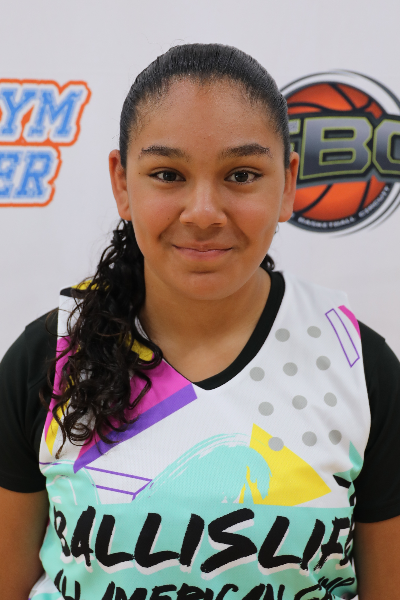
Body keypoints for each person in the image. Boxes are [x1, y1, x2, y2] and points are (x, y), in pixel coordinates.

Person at [0, 44, 399, 600]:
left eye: (241, 174)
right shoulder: (51, 354)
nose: (204, 212)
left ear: (287, 184)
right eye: (168, 174)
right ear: (122, 183)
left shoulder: (356, 364)